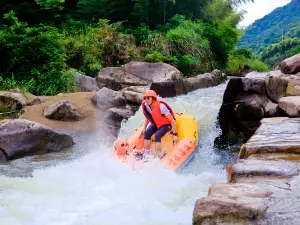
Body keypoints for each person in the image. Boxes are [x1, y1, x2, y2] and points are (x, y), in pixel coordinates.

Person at [141, 90, 178, 158]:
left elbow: (172, 120)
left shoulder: (161, 106)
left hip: (167, 124)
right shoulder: (146, 105)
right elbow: (148, 117)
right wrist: (144, 128)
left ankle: (159, 155)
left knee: (157, 135)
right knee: (147, 133)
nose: (146, 100)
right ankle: (146, 154)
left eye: (148, 98)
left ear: (153, 99)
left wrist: (175, 135)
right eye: (145, 98)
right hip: (156, 123)